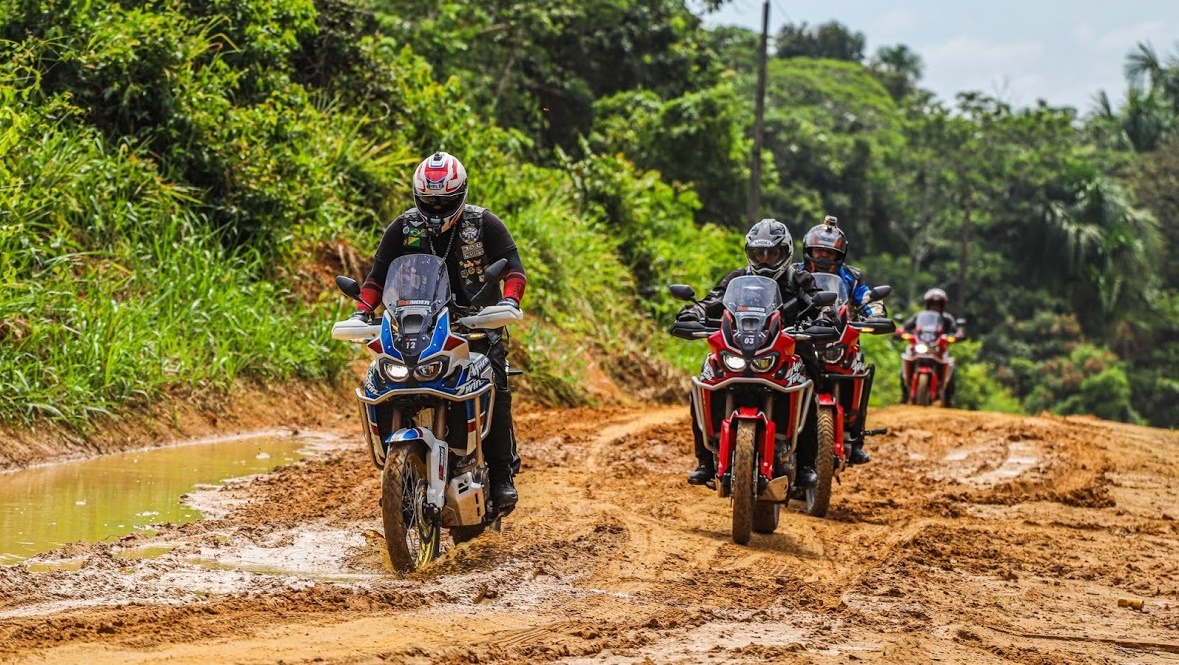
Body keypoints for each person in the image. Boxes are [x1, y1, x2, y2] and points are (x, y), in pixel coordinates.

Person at [348, 152, 527, 509]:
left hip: (475, 326)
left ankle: (502, 474)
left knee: (496, 384)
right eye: (428, 200)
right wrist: (362, 310)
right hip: (418, 326)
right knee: (383, 381)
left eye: (443, 201)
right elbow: (377, 277)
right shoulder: (404, 227)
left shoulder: (483, 224)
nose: (434, 207)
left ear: (460, 195)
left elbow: (515, 272)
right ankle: (398, 468)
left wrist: (508, 303)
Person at [675, 218, 828, 490]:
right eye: (759, 253)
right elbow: (712, 301)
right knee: (704, 383)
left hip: (789, 346)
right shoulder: (737, 278)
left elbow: (821, 304)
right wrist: (692, 313)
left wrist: (825, 319)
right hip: (739, 348)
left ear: (786, 252)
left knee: (812, 386)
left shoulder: (799, 279)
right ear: (749, 253)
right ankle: (705, 462)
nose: (765, 259)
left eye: (773, 253)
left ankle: (806, 465)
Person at [798, 215, 883, 465]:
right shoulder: (794, 272)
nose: (822, 256)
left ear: (839, 255)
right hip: (802, 337)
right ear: (808, 249)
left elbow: (868, 299)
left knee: (861, 372)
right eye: (818, 250)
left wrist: (875, 314)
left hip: (841, 338)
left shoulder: (852, 277)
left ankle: (855, 440)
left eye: (829, 253)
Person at [898, 288, 962, 407]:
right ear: (928, 304)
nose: (935, 306)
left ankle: (948, 398)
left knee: (951, 366)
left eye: (938, 304)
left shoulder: (947, 319)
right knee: (905, 359)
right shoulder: (919, 316)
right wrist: (901, 332)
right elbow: (904, 326)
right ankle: (904, 394)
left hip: (939, 349)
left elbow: (957, 332)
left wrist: (955, 336)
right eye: (932, 303)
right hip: (919, 346)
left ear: (943, 305)